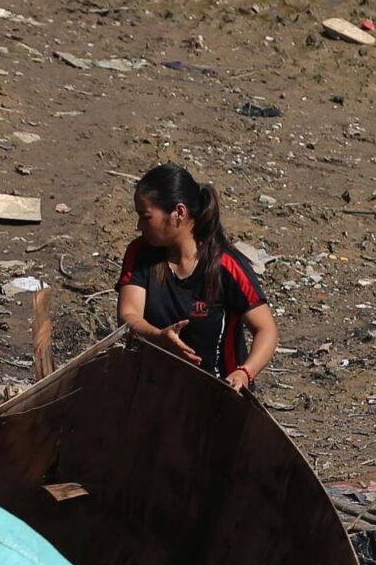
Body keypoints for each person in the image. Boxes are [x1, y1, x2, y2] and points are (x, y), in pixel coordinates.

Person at [117, 163, 277, 393]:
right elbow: (127, 315)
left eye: (145, 217)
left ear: (178, 213)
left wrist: (244, 373)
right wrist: (159, 337)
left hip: (218, 393)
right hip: (154, 391)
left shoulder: (225, 265)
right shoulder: (140, 254)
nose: (139, 226)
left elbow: (266, 329)